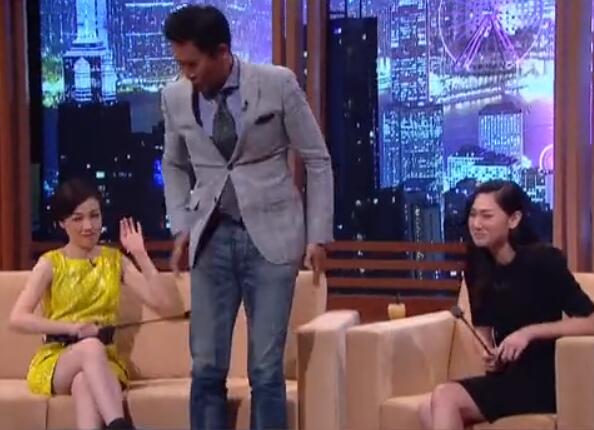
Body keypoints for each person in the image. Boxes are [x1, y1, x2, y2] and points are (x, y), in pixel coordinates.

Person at [161, 4, 333, 430]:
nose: (186, 74)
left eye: (193, 64)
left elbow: (317, 159)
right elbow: (174, 164)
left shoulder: (277, 83)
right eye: (180, 64)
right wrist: (181, 225)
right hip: (210, 238)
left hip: (272, 238)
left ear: (222, 52)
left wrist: (318, 236)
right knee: (205, 367)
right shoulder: (174, 96)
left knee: (265, 370)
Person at [418, 180, 594, 430]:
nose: (476, 224)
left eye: (487, 216)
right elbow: (482, 330)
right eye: (473, 215)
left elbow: (590, 321)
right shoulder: (478, 266)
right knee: (427, 408)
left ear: (513, 219)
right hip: (506, 376)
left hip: (546, 379)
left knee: (445, 396)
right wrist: (489, 353)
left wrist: (528, 333)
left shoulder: (544, 260)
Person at [9, 178, 175, 430]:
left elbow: (162, 304)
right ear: (62, 223)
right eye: (77, 218)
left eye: (94, 216)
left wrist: (140, 254)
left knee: (85, 382)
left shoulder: (114, 260)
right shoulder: (51, 263)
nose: (88, 226)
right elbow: (17, 318)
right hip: (58, 359)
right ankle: (120, 426)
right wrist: (72, 328)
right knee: (90, 348)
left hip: (105, 362)